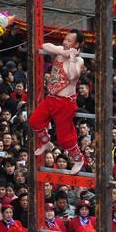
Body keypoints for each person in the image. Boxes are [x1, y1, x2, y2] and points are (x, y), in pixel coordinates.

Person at [29, 30, 86, 174]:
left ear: (77, 44)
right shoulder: (61, 51)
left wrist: (71, 58)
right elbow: (45, 45)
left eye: (69, 41)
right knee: (34, 121)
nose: (65, 42)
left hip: (65, 103)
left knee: (64, 138)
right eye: (65, 40)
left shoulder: (79, 60)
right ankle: (46, 142)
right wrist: (65, 52)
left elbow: (73, 75)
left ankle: (78, 159)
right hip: (51, 98)